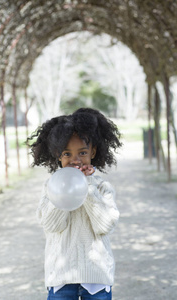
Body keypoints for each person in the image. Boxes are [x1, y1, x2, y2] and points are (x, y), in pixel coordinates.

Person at [27, 108, 122, 300]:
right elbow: (52, 225)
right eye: (67, 153)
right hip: (61, 278)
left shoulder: (102, 187)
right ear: (58, 155)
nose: (75, 160)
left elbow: (105, 226)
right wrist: (62, 191)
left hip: (96, 278)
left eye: (83, 152)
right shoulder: (50, 187)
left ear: (93, 152)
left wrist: (87, 187)